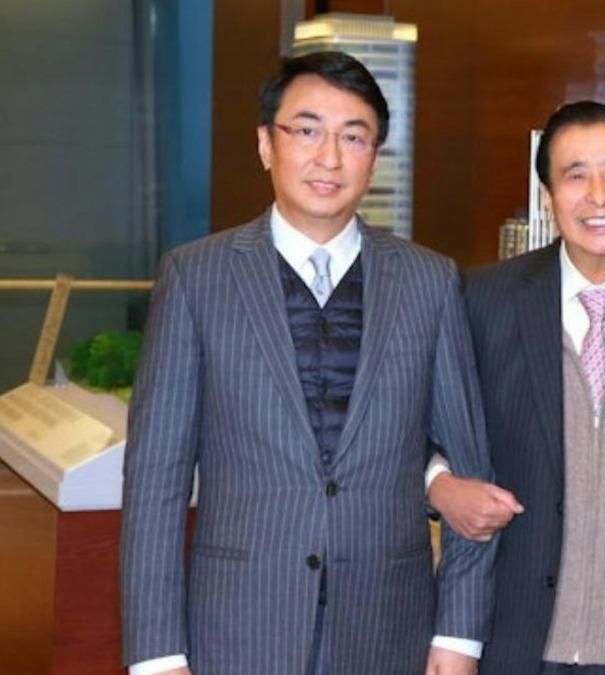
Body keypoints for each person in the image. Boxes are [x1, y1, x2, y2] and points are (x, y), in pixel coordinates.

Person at [119, 52, 494, 675]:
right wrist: (157, 655)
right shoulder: (195, 277)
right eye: (308, 131)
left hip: (389, 631)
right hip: (238, 629)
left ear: (375, 155)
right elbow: (157, 480)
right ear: (266, 144)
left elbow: (467, 463)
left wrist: (459, 636)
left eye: (354, 137)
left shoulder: (429, 281)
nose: (330, 158)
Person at [427, 101, 605, 674]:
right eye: (576, 176)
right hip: (515, 642)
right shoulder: (481, 301)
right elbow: (413, 426)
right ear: (548, 196)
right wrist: (438, 485)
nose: (599, 196)